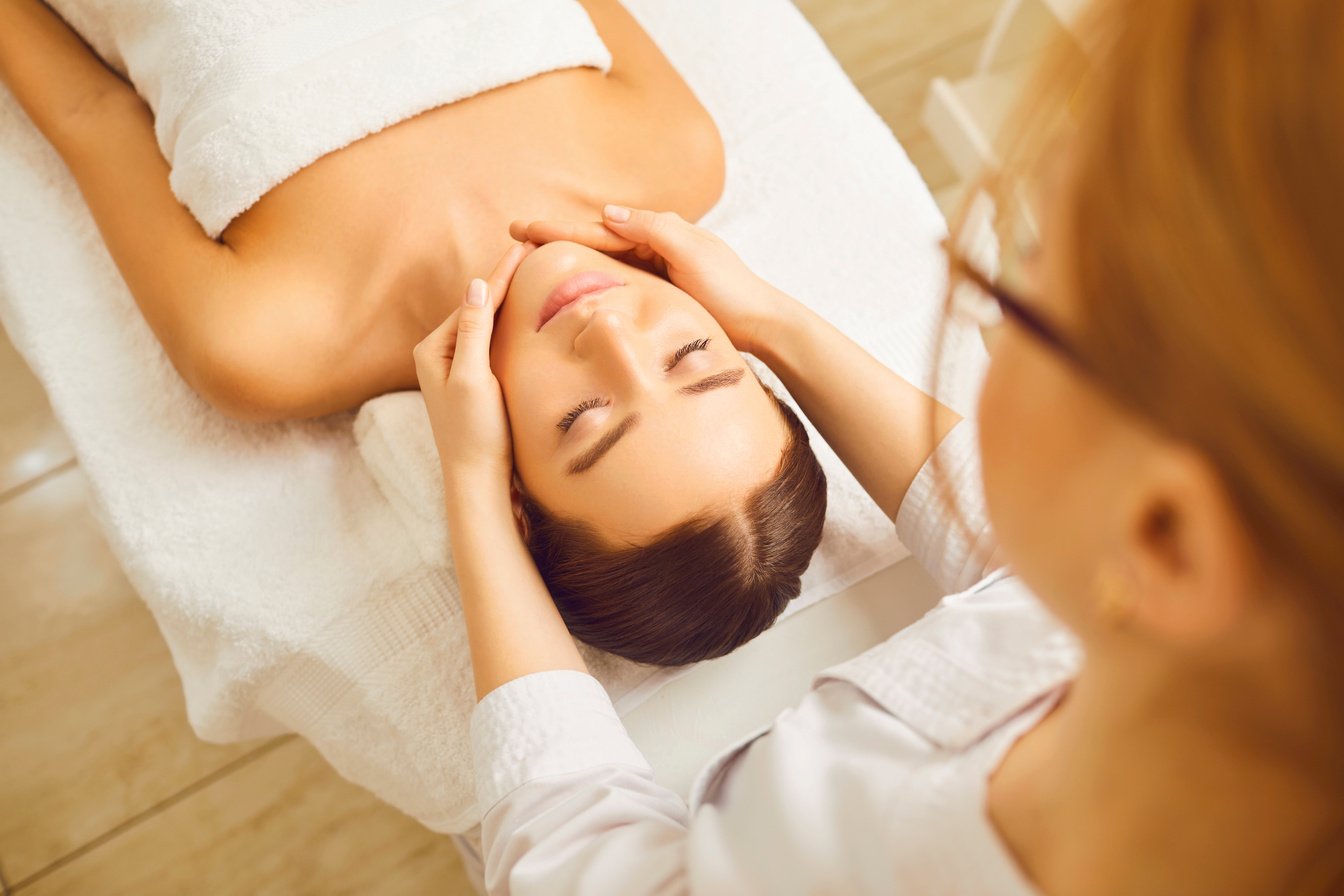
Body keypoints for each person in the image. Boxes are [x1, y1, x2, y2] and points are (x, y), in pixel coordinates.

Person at [416, 0, 1344, 891]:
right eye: (705, 359)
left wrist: (473, 491)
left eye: (1019, 298)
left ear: (1167, 531)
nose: (618, 338)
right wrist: (772, 320)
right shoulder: (1199, 623)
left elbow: (573, 858)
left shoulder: (855, 847)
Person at [0, 0, 827, 666]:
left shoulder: (271, 346)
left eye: (586, 419)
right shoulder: (675, 155)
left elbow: (92, 111)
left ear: (512, 493)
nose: (607, 331)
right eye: (693, 356)